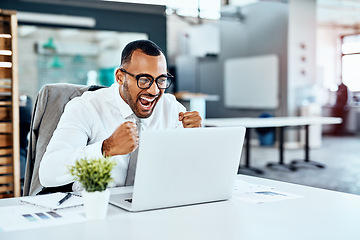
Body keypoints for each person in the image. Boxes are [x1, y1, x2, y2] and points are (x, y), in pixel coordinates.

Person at [39, 40, 202, 192]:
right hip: (98, 207)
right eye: (144, 80)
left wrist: (196, 139)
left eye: (161, 80)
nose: (154, 91)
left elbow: (190, 170)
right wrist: (106, 148)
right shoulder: (86, 107)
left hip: (153, 203)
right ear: (120, 77)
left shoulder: (172, 108)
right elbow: (48, 173)